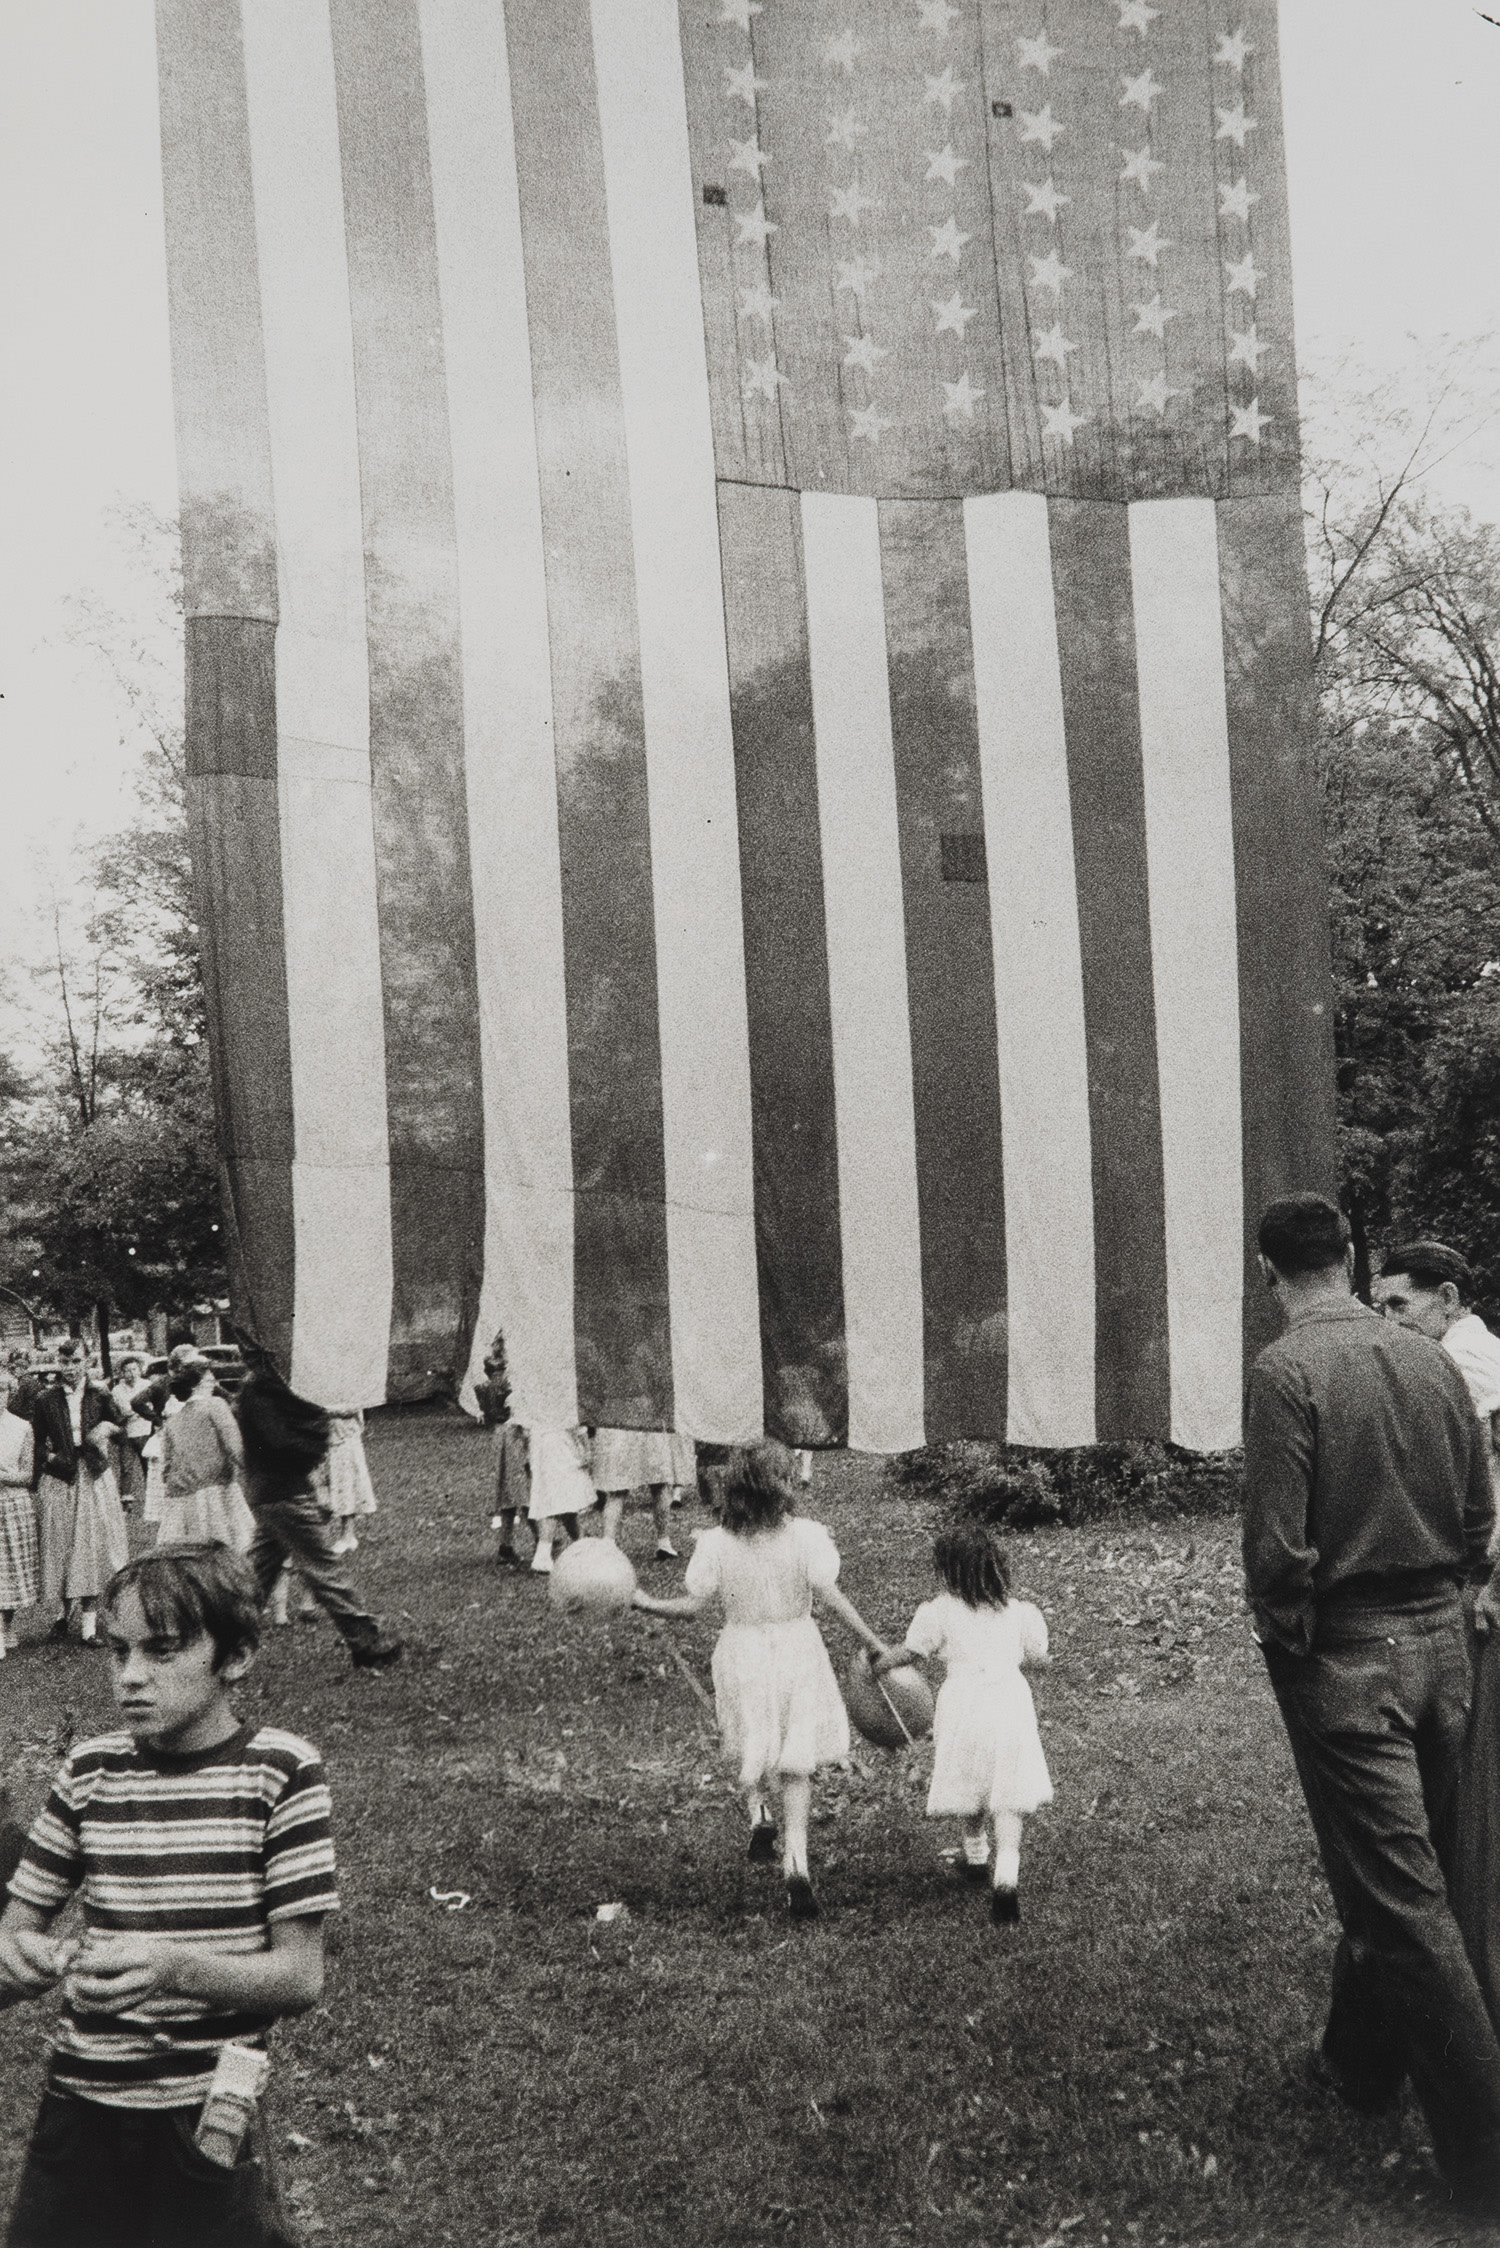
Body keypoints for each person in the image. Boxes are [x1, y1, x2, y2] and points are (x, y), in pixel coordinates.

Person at [1243, 1192, 1500, 2211]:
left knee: (1402, 1901)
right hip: (1447, 1648)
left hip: (1349, 1654)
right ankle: (1360, 2062)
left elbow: (1277, 1547)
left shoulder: (1286, 1369)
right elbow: (1483, 1513)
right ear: (1348, 1258)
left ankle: (1484, 2157)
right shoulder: (1432, 1356)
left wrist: (1290, 1635)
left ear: (1271, 1274)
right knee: (1418, 1868)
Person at [0, 1543, 336, 2247]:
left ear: (236, 1657)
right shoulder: (91, 1771)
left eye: (163, 1652)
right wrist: (18, 1962)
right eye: (118, 1652)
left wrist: (174, 1967)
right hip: (78, 2114)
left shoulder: (279, 1773)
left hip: (205, 2122)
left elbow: (300, 1977)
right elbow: (14, 1931)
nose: (130, 1678)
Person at [632, 1440, 886, 1919]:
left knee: (751, 1736)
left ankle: (758, 1812)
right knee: (796, 1760)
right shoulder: (807, 1537)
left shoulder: (717, 1544)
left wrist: (647, 1603)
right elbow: (832, 1599)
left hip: (742, 1652)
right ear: (782, 1488)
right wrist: (874, 1643)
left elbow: (693, 1607)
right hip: (798, 1650)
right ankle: (796, 1864)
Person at [874, 1516, 1052, 1925]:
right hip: (1009, 1699)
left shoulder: (939, 1612)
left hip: (963, 1702)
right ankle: (1006, 1875)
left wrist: (878, 1664)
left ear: (949, 1571)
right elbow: (1039, 1656)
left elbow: (913, 1653)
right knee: (1008, 1787)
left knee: (970, 1775)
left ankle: (976, 1857)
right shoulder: (1019, 1612)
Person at [233, 1341, 402, 1670]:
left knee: (258, 1575)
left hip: (273, 1492)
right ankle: (366, 1641)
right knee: (323, 1566)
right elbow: (282, 1441)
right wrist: (318, 1425)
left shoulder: (263, 1387)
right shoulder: (260, 1390)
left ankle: (220, 1638)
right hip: (283, 1492)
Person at [1374, 1239, 1500, 1507]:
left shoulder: (1459, 1360)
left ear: (1448, 1298)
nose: (1389, 1321)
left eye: (1399, 1305)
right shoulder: (1484, 1348)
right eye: (1382, 1309)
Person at [29, 1338, 126, 1646]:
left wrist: (108, 1429)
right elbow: (36, 1443)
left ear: (87, 1362)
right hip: (61, 1477)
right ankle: (61, 1613)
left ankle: (88, 1624)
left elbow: (123, 1431)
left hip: (93, 1474)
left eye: (76, 1362)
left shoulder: (100, 1393)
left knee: (92, 1544)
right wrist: (50, 1459)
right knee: (60, 1544)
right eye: (65, 1362)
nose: (70, 1369)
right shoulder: (46, 1398)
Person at [158, 1354, 255, 1553]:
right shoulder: (216, 1405)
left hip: (181, 1497)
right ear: (197, 1384)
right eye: (209, 1377)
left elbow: (166, 1468)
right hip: (216, 1490)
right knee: (231, 1549)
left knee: (189, 1554)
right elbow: (235, 1448)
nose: (213, 1381)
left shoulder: (173, 1421)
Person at [592, 1427, 679, 1562]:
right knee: (660, 1486)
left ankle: (608, 1542)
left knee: (617, 1491)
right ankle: (664, 1542)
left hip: (621, 1431)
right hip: (651, 1431)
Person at [0, 1368, 38, 1658]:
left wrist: (3, 1477)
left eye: (1, 1390)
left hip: (12, 1501)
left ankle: (7, 1626)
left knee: (10, 1567)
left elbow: (27, 1475)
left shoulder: (22, 1427)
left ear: (9, 1393)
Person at [321, 1410, 378, 1557]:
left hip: (344, 1437)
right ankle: (318, 1535)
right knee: (321, 1488)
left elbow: (352, 1408)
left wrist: (323, 1409)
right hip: (321, 1435)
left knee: (345, 1483)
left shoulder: (351, 1389)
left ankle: (347, 1535)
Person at [109, 1355, 150, 1510]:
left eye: (134, 1369)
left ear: (139, 1370)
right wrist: (139, 1410)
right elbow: (124, 1410)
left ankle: (153, 1497)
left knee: (148, 1465)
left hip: (146, 1429)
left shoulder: (147, 1385)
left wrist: (139, 1411)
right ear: (122, 1373)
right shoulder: (118, 1390)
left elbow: (150, 1407)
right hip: (127, 1432)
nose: (131, 1374)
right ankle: (126, 1499)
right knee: (126, 1466)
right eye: (127, 1370)